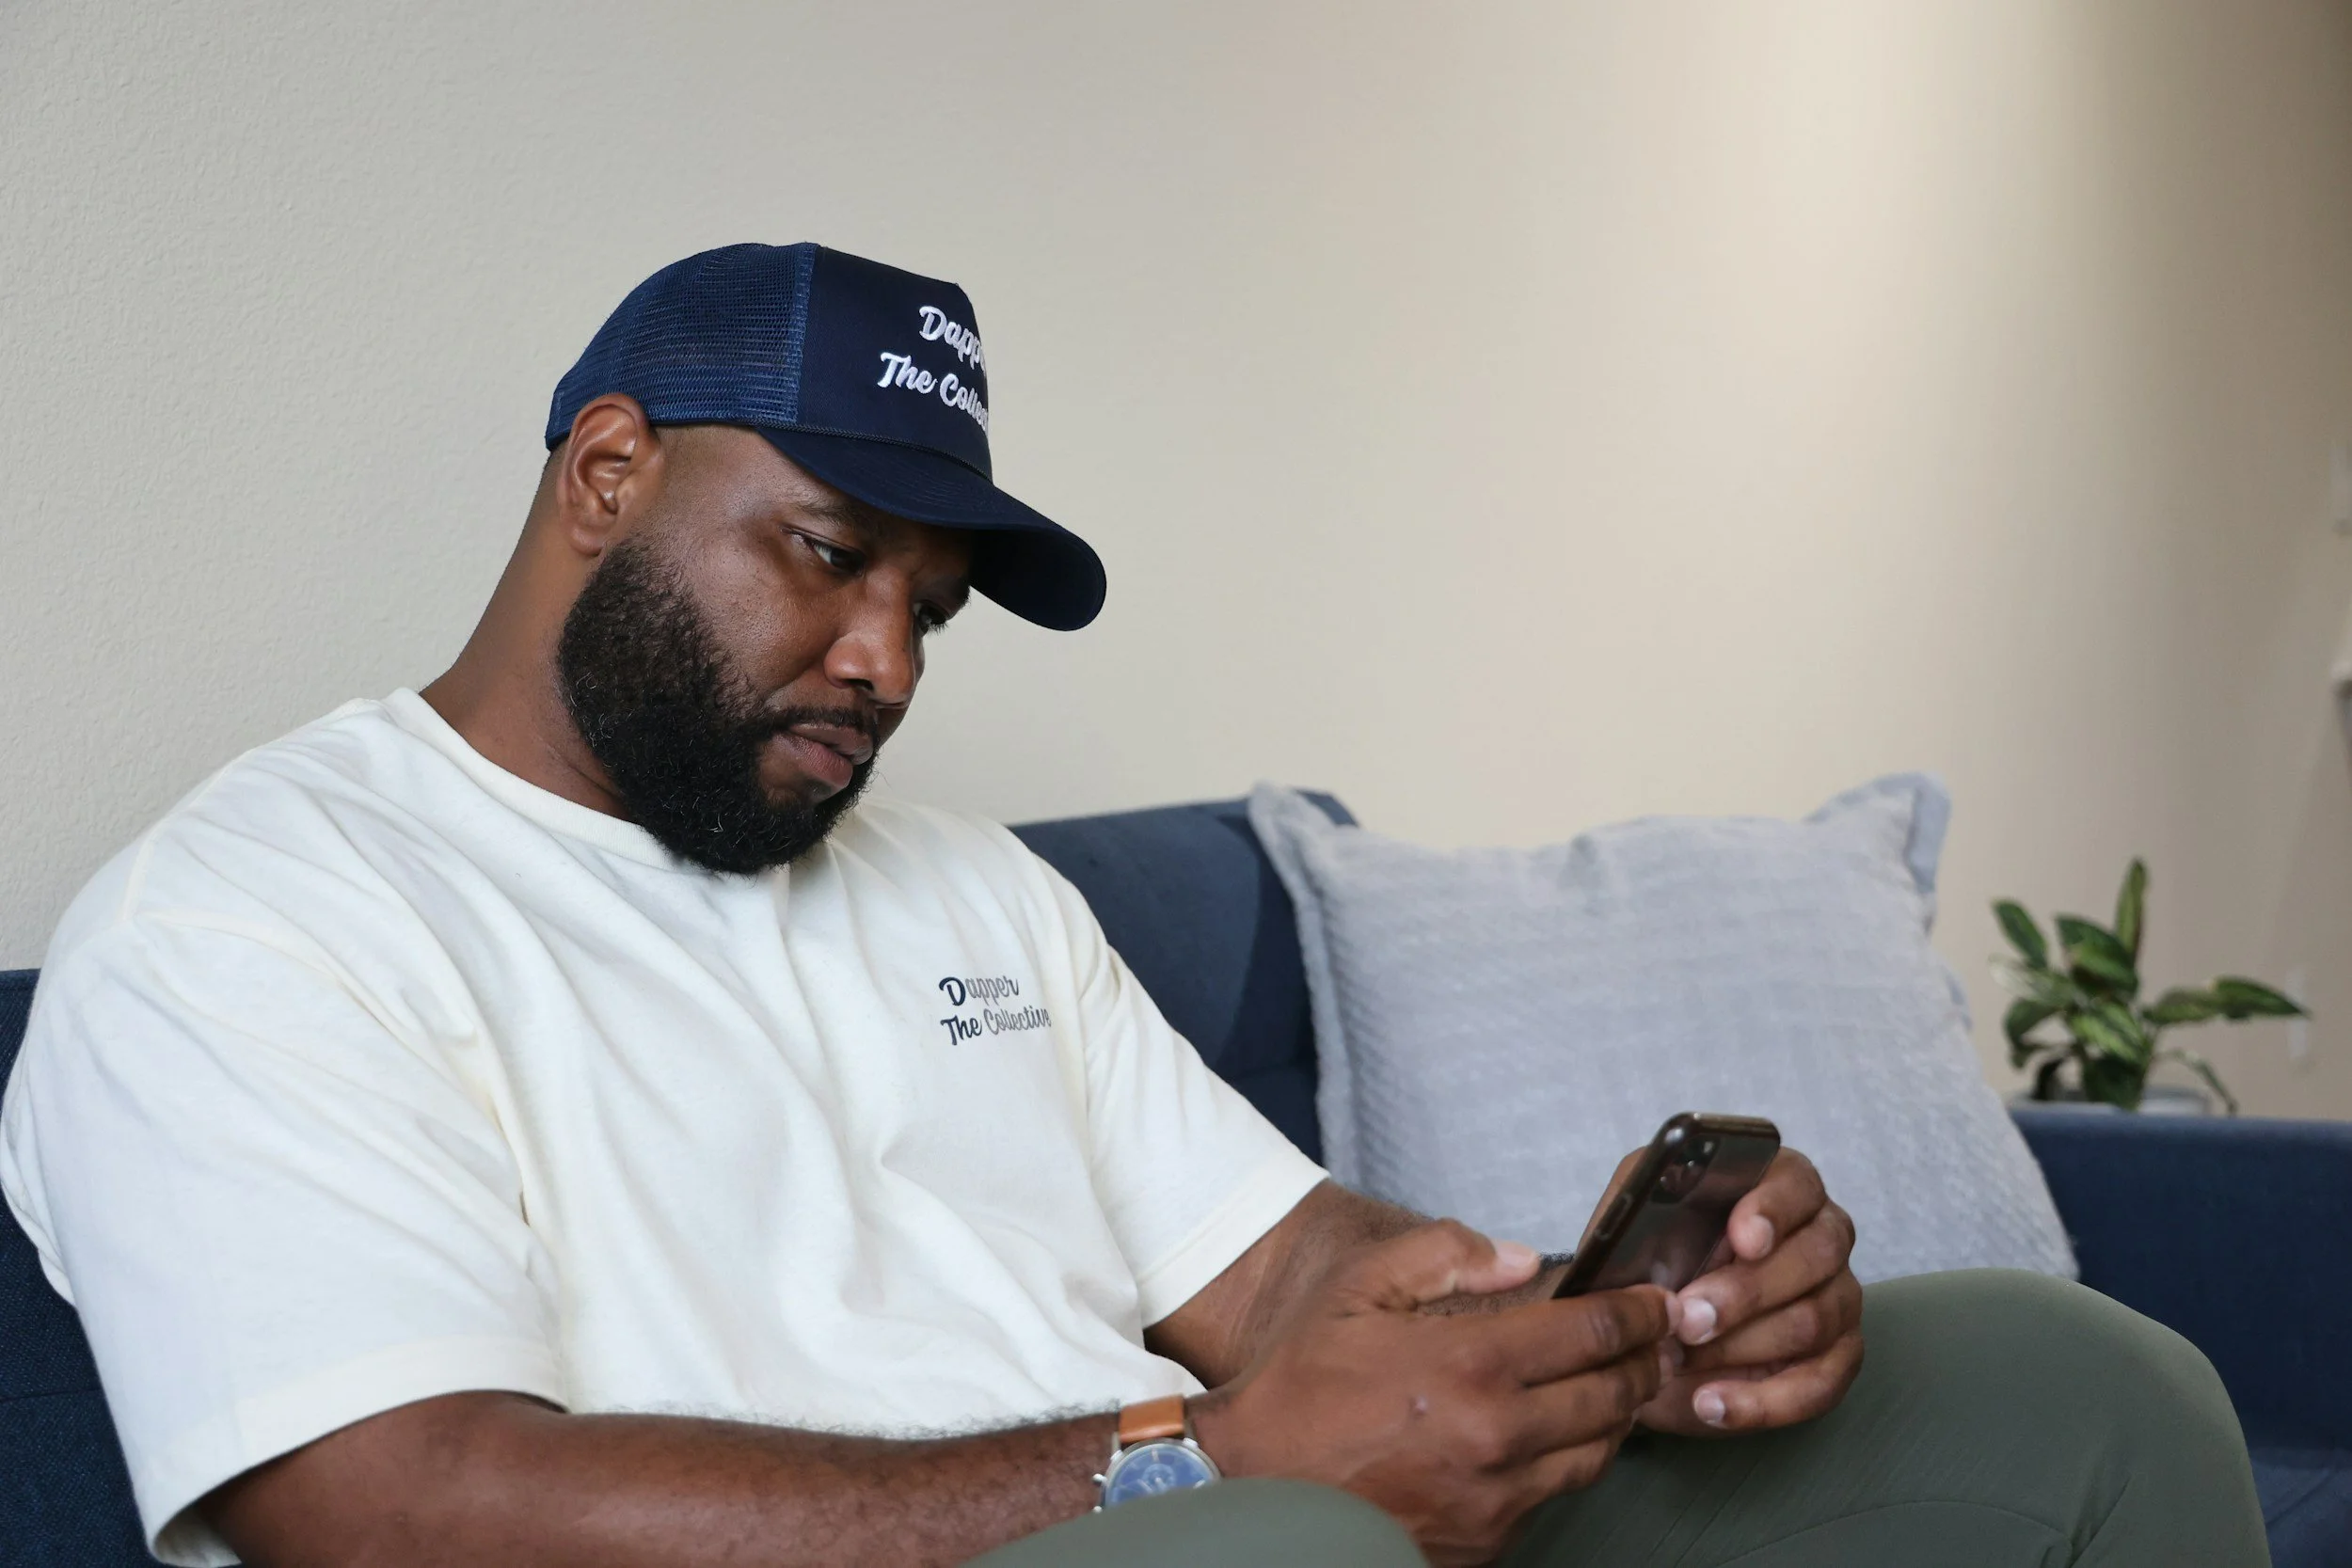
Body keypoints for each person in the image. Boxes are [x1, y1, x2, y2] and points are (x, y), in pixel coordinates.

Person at [1, 244, 2267, 1568]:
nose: (885, 661)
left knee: (2071, 1379)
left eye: (928, 604)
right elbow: (401, 1506)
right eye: (828, 556)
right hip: (1184, 1532)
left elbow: (1281, 1275)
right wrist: (1190, 1459)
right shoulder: (247, 918)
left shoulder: (954, 884)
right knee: (1280, 1540)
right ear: (605, 473)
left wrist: (1585, 1324)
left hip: (1235, 1528)